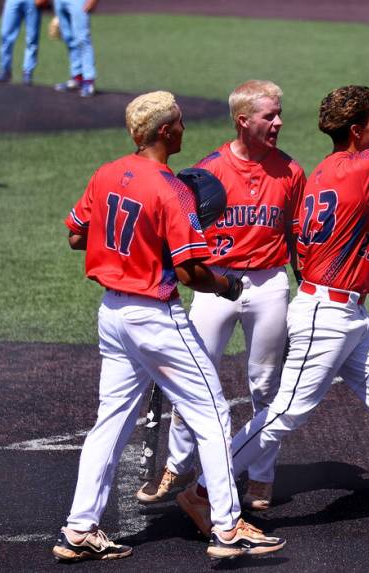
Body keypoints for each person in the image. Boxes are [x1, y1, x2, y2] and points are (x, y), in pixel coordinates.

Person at [176, 57, 369, 534]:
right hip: (326, 314)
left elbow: (314, 241)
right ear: (356, 130)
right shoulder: (363, 167)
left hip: (349, 313)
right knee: (285, 414)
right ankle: (204, 491)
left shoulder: (325, 172)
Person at [54, 90, 286, 562]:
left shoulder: (106, 173)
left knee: (110, 424)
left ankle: (79, 529)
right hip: (155, 318)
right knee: (214, 414)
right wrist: (225, 286)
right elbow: (189, 273)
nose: (184, 128)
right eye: (179, 123)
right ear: (165, 131)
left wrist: (133, 248)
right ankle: (227, 526)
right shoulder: (171, 188)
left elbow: (78, 234)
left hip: (112, 317)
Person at [136, 80, 306, 511]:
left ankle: (262, 477)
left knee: (266, 384)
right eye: (270, 115)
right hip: (215, 282)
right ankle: (178, 464)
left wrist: (303, 287)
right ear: (243, 120)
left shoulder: (291, 172)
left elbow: (297, 233)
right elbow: (182, 232)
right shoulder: (206, 171)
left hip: (269, 283)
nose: (279, 122)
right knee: (190, 376)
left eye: (279, 113)